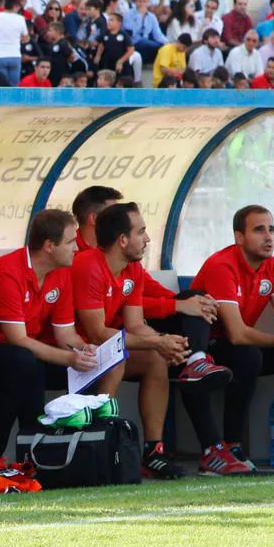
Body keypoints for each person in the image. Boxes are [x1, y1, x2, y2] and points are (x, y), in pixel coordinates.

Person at [73, 202, 210, 479]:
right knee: (120, 356)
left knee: (155, 358)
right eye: (142, 232)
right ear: (122, 240)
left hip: (106, 347)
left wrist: (166, 342)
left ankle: (153, 452)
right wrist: (156, 342)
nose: (147, 238)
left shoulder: (132, 268)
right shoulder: (89, 265)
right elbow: (97, 332)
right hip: (74, 349)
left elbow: (135, 324)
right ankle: (101, 444)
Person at [0, 209, 99, 459]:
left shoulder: (62, 271)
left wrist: (83, 349)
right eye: (71, 242)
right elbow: (16, 338)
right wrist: (70, 359)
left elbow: (65, 334)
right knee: (23, 361)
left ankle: (40, 457)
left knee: (40, 363)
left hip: (19, 347)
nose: (77, 248)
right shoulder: (7, 272)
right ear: (49, 246)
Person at [190, 206, 274, 465]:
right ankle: (232, 446)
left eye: (271, 229)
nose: (268, 237)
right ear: (239, 237)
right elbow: (237, 335)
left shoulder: (272, 266)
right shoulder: (222, 265)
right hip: (205, 350)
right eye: (259, 230)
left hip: (241, 346)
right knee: (247, 355)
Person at [0, 0, 28, 86]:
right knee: (13, 88)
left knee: (0, 87)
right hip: (15, 56)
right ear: (16, 6)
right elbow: (25, 38)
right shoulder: (20, 18)